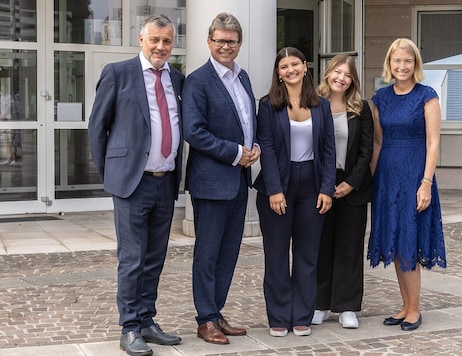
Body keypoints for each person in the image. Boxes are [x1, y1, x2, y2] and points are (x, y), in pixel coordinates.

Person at [88, 14, 184, 356]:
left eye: (167, 41)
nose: (161, 47)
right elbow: (97, 128)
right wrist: (111, 175)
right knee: (132, 257)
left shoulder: (177, 78)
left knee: (155, 258)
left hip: (165, 181)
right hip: (132, 184)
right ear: (141, 40)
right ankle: (129, 327)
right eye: (155, 39)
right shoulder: (118, 73)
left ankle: (146, 320)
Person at [182, 12, 258, 346]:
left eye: (231, 41)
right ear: (209, 42)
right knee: (209, 252)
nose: (226, 45)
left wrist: (253, 147)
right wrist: (235, 151)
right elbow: (194, 132)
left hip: (239, 180)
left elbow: (247, 123)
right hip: (211, 182)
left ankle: (217, 311)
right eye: (220, 40)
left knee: (229, 252)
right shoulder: (197, 81)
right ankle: (205, 318)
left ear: (239, 44)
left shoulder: (243, 79)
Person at [253, 47, 336, 337]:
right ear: (278, 72)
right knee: (276, 256)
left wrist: (327, 188)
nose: (290, 70)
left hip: (312, 185)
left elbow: (328, 149)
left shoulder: (321, 105)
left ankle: (301, 315)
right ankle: (278, 317)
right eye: (284, 66)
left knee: (307, 256)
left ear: (305, 67)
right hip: (278, 185)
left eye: (295, 64)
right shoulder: (267, 106)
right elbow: (268, 149)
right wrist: (275, 190)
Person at [367, 38, 447, 332]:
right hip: (387, 178)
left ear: (416, 65)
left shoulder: (427, 96)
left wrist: (425, 182)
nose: (402, 66)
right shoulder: (380, 98)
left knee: (408, 242)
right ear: (389, 64)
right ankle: (405, 305)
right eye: (397, 61)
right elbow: (377, 142)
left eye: (408, 61)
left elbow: (434, 142)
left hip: (415, 175)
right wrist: (373, 180)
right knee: (397, 243)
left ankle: (414, 309)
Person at [312, 54, 373, 329]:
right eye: (337, 72)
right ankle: (320, 304)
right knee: (321, 245)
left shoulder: (361, 108)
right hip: (320, 184)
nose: (341, 78)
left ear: (353, 80)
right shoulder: (313, 104)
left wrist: (351, 183)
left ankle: (347, 306)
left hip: (352, 184)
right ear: (328, 73)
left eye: (347, 74)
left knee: (349, 246)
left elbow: (366, 151)